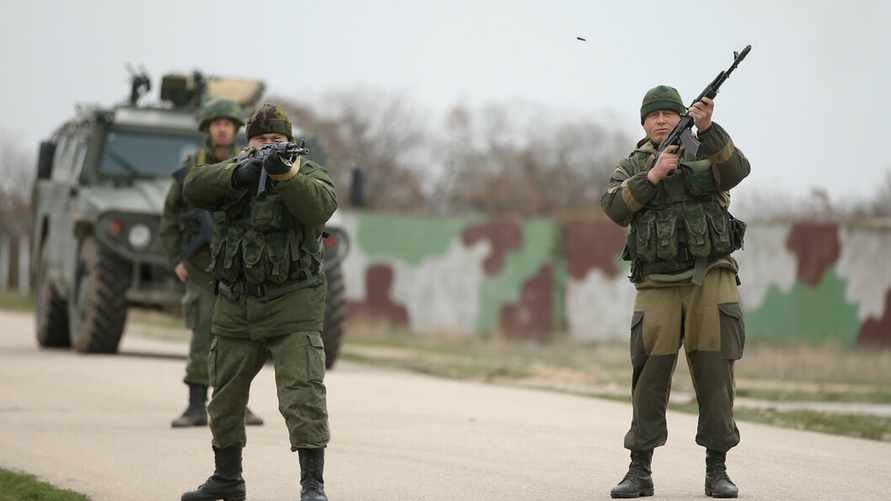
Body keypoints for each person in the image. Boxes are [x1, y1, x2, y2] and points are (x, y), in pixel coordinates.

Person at [180, 104, 336, 501]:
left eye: (276, 140)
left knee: (303, 396)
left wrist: (285, 174)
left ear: (290, 142)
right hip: (235, 306)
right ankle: (227, 479)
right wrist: (241, 173)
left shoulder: (308, 173)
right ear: (246, 144)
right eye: (261, 141)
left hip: (293, 306)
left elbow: (320, 205)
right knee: (225, 400)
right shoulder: (233, 170)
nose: (269, 146)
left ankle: (312, 485)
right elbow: (193, 187)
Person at [601, 85, 750, 499]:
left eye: (669, 113)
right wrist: (652, 176)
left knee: (716, 376)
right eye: (653, 116)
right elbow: (613, 207)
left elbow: (737, 170)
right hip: (656, 286)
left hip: (712, 278)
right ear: (644, 123)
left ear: (681, 115)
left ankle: (717, 470)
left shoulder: (706, 149)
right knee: (648, 376)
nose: (662, 121)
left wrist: (710, 128)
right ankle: (639, 470)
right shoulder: (633, 163)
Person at [161, 98, 264, 428]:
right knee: (203, 332)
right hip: (202, 265)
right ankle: (195, 405)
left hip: (239, 265)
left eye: (228, 123)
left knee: (241, 338)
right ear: (208, 128)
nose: (222, 128)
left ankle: (237, 404)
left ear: (235, 129)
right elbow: (169, 217)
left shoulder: (248, 163)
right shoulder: (192, 168)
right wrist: (177, 257)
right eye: (216, 123)